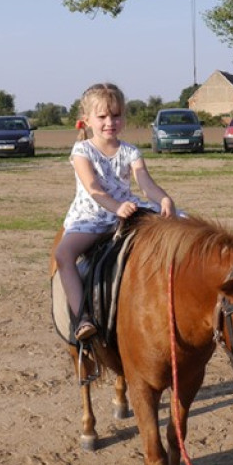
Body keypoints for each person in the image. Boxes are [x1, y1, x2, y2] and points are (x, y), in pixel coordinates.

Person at [54, 82, 177, 341]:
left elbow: (145, 183)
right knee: (64, 255)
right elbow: (93, 188)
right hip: (92, 217)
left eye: (116, 115)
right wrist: (116, 207)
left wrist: (164, 198)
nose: (110, 122)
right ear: (86, 120)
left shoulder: (130, 151)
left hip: (126, 212)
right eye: (102, 116)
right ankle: (81, 317)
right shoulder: (82, 151)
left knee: (175, 233)